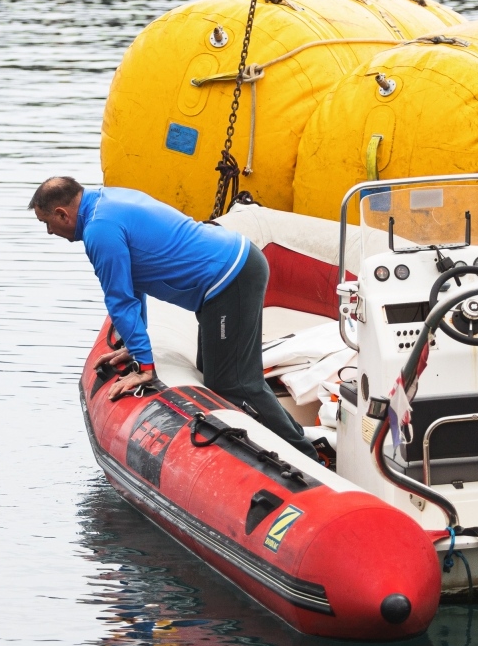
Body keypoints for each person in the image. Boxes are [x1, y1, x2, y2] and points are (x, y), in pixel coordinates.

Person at [31, 176, 317, 460]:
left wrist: (145, 366)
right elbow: (132, 285)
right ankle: (296, 441)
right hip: (228, 273)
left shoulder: (99, 230)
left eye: (47, 223)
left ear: (62, 214)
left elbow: (120, 300)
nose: (49, 232)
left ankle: (306, 454)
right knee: (216, 372)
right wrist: (134, 347)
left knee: (233, 384)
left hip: (230, 277)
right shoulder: (106, 202)